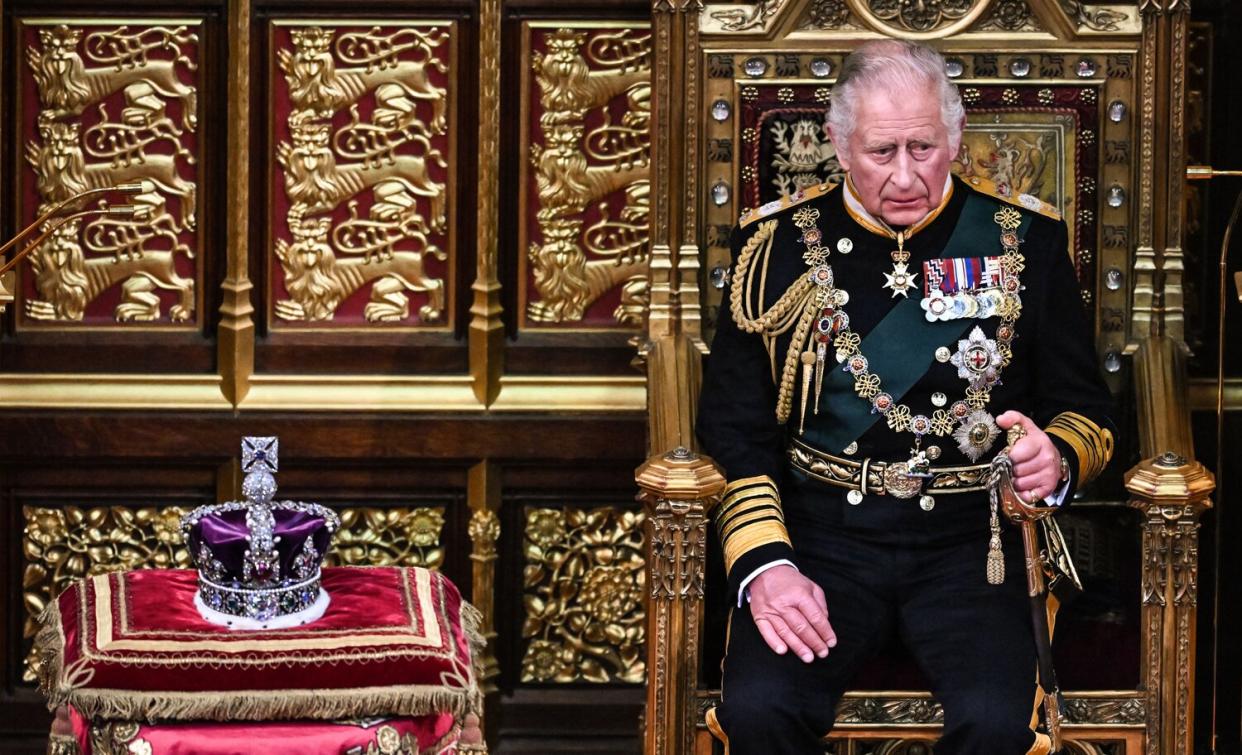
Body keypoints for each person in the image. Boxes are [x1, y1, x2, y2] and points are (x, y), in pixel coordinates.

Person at [697, 39, 1115, 755]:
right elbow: (734, 428)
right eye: (879, 151)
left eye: (923, 148)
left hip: (972, 547)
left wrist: (1057, 456)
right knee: (761, 709)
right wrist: (768, 566)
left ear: (955, 138)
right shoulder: (775, 250)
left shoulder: (1026, 242)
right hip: (819, 539)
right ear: (837, 142)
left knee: (994, 722)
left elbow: (1087, 410)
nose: (903, 176)